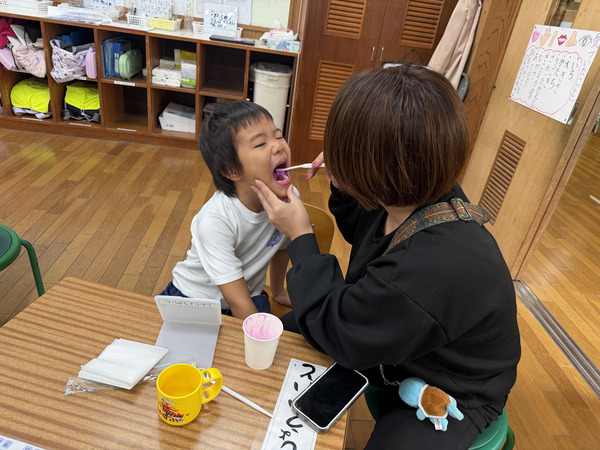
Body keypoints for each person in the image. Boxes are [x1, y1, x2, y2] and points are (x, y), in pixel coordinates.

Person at [252, 64, 521, 448]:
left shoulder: (432, 264)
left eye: (346, 152)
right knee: (292, 328)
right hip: (402, 340)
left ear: (381, 170)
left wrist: (300, 235)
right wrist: (345, 183)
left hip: (453, 387)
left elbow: (343, 334)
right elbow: (366, 228)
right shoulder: (415, 190)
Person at [159, 101, 294, 319]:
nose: (278, 146)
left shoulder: (289, 199)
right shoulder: (216, 220)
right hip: (195, 299)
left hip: (248, 295)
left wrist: (278, 291)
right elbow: (239, 302)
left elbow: (281, 246)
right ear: (231, 170)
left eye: (278, 136)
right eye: (260, 144)